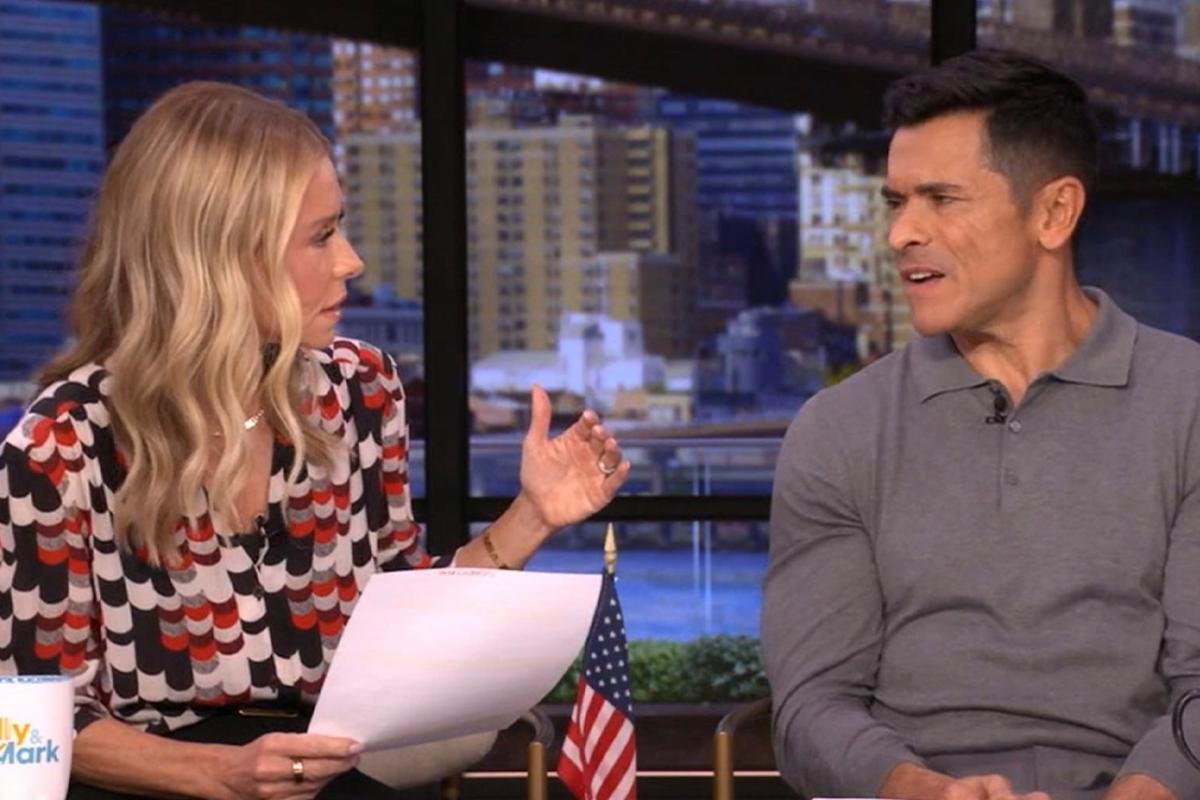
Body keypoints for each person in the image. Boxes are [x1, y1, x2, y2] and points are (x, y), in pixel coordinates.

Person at [0, 81, 631, 800]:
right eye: (322, 236)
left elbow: (400, 618)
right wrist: (223, 775)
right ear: (222, 256)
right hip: (158, 781)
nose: (351, 261)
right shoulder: (61, 445)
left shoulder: (359, 391)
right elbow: (29, 721)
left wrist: (534, 515)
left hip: (326, 772)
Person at [762, 49, 1200, 800]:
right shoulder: (838, 429)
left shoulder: (1188, 402)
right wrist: (917, 788)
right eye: (897, 202)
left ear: (1054, 213)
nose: (903, 234)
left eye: (941, 198)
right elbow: (813, 704)